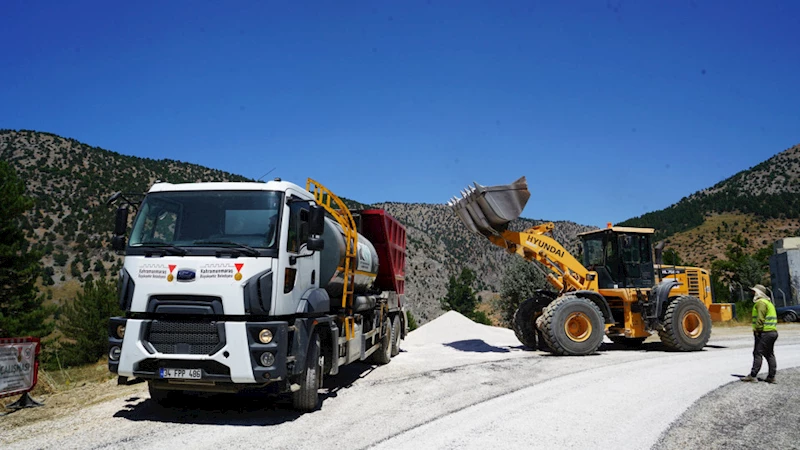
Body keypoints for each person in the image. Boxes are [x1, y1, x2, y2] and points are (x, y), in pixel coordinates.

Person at [741, 284, 778, 383]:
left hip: (764, 332)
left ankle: (753, 375)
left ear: (758, 293)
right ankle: (771, 377)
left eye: (754, 291)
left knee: (757, 353)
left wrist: (757, 330)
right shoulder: (768, 302)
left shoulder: (761, 303)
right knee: (769, 354)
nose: (752, 293)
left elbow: (760, 319)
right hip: (772, 332)